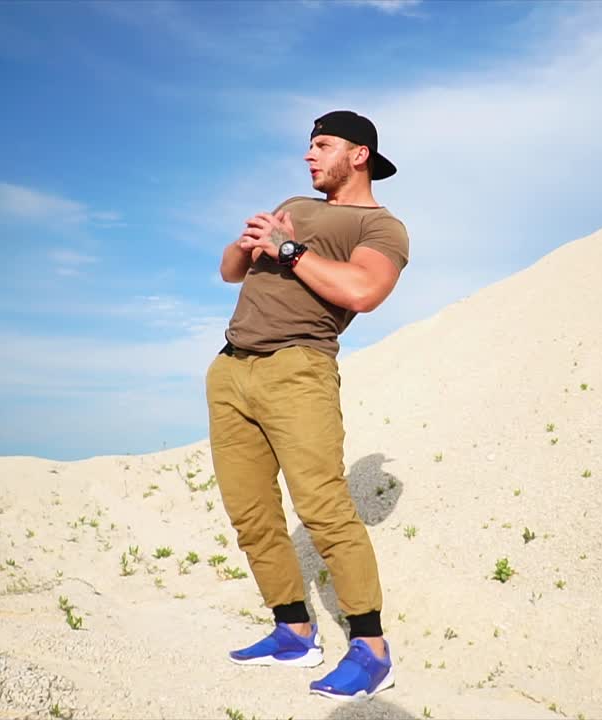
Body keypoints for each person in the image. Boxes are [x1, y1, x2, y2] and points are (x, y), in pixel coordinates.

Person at [205, 110, 409, 701]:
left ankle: (371, 650)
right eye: (310, 145)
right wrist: (248, 245)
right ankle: (293, 631)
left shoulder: (381, 226)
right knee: (250, 513)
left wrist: (288, 246)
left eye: (322, 145)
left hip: (299, 370)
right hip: (231, 368)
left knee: (323, 508)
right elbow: (228, 272)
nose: (309, 155)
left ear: (360, 154)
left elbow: (363, 292)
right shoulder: (295, 200)